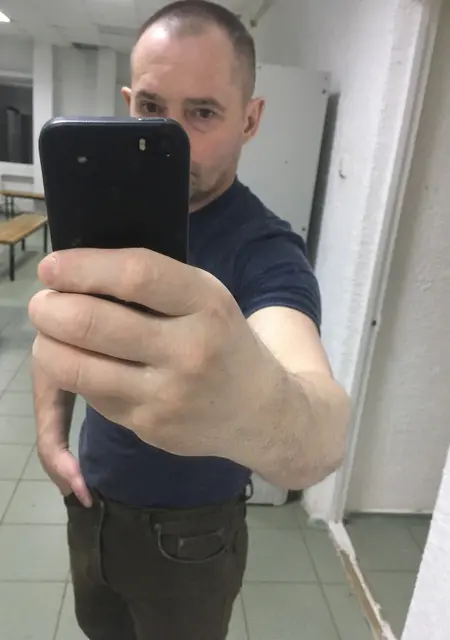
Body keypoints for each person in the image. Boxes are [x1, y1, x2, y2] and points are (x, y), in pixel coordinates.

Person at [29, 2, 351, 639]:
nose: (172, 136)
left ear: (250, 119)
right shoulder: (102, 220)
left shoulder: (264, 249)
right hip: (91, 501)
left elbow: (318, 432)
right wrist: (51, 437)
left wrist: (272, 413)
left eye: (202, 112)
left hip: (191, 534)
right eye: (152, 107)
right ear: (130, 103)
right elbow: (65, 324)